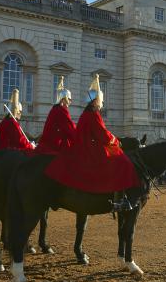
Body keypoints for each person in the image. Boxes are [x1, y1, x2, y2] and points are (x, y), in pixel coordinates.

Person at [44, 75, 139, 210]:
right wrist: (115, 140)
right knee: (121, 160)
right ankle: (121, 198)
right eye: (101, 100)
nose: (102, 103)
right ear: (95, 101)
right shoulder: (93, 114)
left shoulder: (87, 113)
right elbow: (103, 134)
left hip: (85, 145)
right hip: (89, 147)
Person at [36, 76, 77, 155]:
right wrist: (81, 136)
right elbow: (70, 128)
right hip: (54, 145)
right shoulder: (61, 111)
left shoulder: (55, 109)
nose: (70, 102)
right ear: (63, 99)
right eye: (69, 99)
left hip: (49, 143)